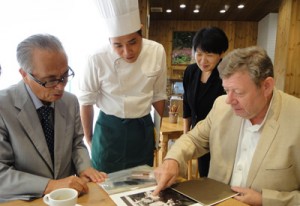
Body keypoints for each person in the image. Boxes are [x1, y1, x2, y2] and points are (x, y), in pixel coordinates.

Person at [153, 46, 300, 206]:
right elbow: (194, 139)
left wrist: (265, 199)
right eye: (226, 90)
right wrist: (172, 160)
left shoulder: (295, 119)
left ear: (266, 86)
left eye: (238, 91)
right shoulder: (222, 106)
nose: (229, 100)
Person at [0, 34, 107, 202]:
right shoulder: (3, 106)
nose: (60, 87)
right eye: (50, 80)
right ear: (24, 74)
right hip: (23, 200)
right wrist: (49, 185)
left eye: (64, 76)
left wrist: (84, 167)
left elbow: (77, 144)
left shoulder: (70, 101)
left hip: (66, 199)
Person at [78, 0, 167, 173]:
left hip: (142, 129)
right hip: (109, 130)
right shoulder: (96, 57)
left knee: (141, 184)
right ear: (109, 40)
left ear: (141, 31)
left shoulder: (156, 51)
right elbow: (86, 102)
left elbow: (158, 96)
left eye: (133, 42)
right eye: (118, 45)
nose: (127, 52)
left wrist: (155, 134)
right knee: (104, 184)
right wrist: (90, 139)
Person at [182, 27, 228, 177]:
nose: (203, 60)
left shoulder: (226, 75)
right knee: (204, 178)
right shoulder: (191, 71)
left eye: (209, 54)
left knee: (218, 181)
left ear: (221, 53)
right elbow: (187, 106)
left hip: (222, 139)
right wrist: (186, 136)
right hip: (200, 137)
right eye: (199, 54)